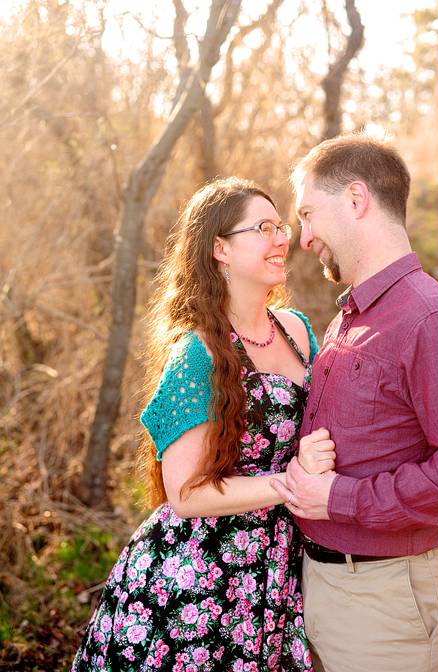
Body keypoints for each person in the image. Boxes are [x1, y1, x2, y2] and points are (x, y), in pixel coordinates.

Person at [71, 177, 330, 672]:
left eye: (282, 226)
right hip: (194, 582)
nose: (281, 239)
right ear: (219, 249)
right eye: (263, 228)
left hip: (274, 572)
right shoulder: (199, 353)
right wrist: (292, 479)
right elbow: (186, 494)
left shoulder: (296, 330)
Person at [270, 131, 438, 672]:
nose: (302, 238)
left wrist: (340, 497)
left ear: (355, 199)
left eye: (307, 214)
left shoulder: (426, 318)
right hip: (325, 588)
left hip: (388, 602)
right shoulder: (352, 316)